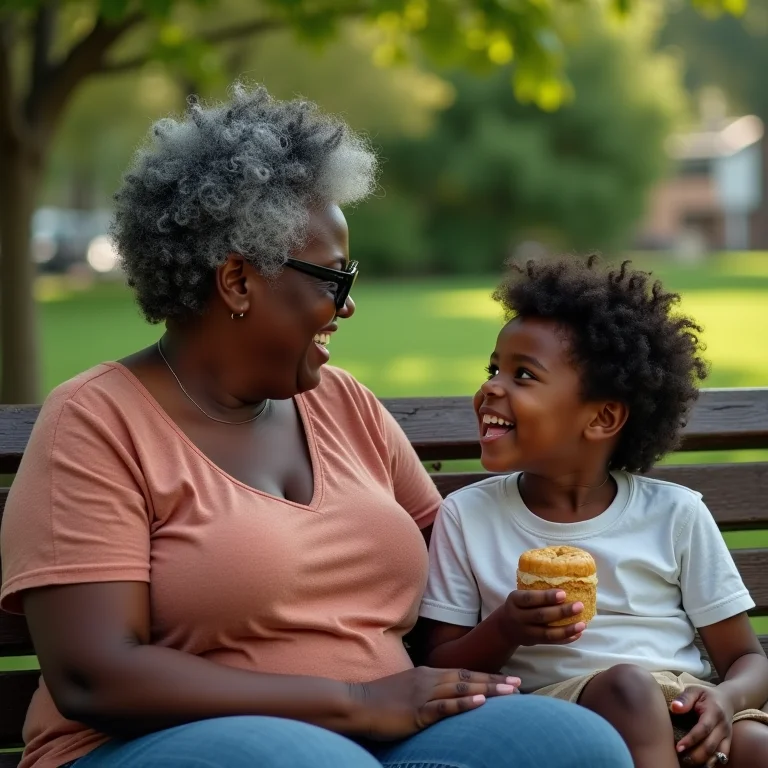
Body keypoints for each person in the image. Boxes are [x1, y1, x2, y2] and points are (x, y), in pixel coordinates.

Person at [0, 85, 632, 768]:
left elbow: (450, 582)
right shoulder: (95, 422)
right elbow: (96, 675)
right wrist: (355, 702)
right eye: (334, 277)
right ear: (238, 281)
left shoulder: (345, 405)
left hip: (380, 740)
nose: (350, 304)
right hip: (150, 747)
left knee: (576, 745)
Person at [420, 255, 768, 768]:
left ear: (602, 417)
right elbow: (438, 663)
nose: (492, 386)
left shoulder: (675, 514)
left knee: (757, 747)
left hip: (685, 697)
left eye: (523, 375)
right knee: (628, 689)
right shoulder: (467, 516)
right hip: (562, 710)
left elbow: (747, 659)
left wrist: (727, 699)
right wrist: (506, 629)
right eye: (494, 368)